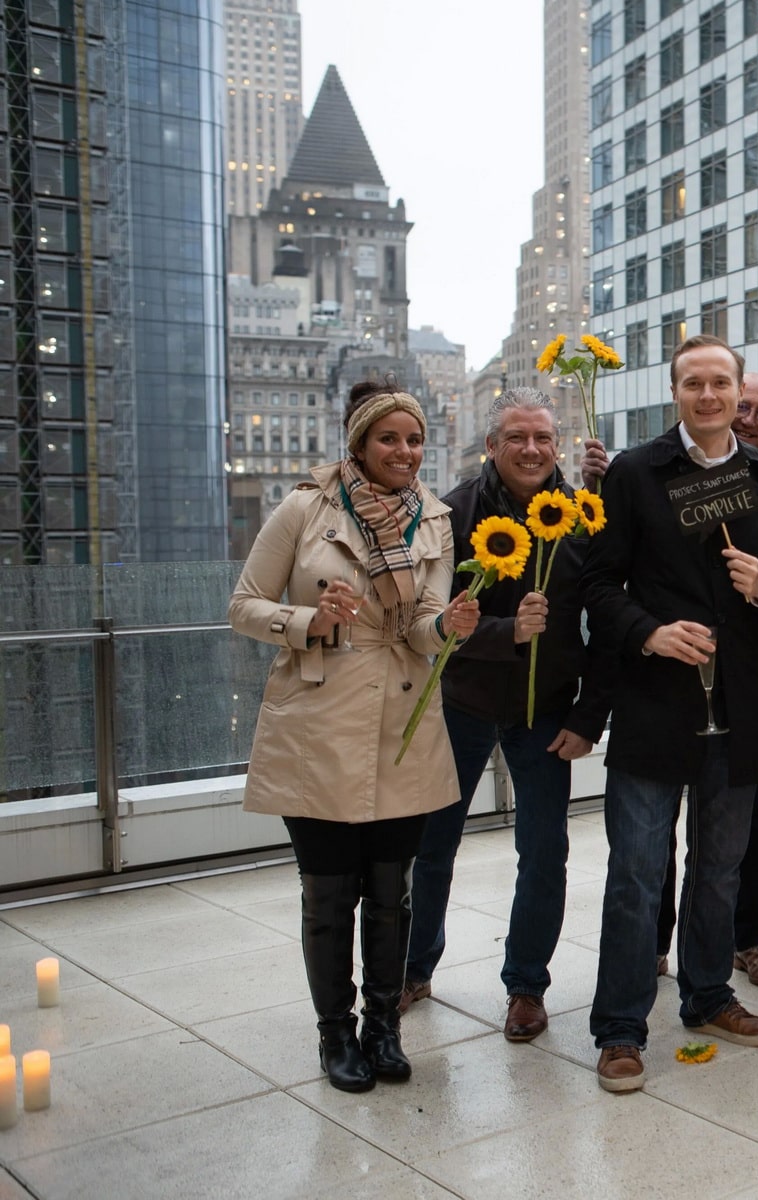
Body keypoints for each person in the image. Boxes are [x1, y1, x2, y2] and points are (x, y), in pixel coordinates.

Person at [228, 382, 479, 1093]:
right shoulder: (305, 507)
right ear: (360, 444)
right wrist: (310, 620)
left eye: (414, 439)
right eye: (388, 439)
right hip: (318, 723)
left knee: (391, 889)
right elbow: (243, 605)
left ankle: (384, 1029)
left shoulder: (434, 518)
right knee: (330, 891)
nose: (404, 452)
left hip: (401, 724)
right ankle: (335, 1036)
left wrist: (448, 629)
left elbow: (422, 629)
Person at [580, 334, 758, 1093]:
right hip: (655, 707)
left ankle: (707, 996)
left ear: (741, 394)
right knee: (637, 873)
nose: (708, 397)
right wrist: (650, 632)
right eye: (692, 384)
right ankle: (620, 1026)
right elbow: (599, 588)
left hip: (740, 707)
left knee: (721, 867)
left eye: (720, 385)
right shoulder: (638, 474)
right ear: (674, 392)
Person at [399, 388, 612, 1043]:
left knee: (545, 851)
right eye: (516, 438)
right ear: (491, 446)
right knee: (431, 848)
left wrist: (590, 715)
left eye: (543, 438)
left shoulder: (583, 516)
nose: (531, 449)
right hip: (460, 703)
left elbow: (605, 621)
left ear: (559, 446)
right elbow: (427, 618)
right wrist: (504, 634)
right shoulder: (453, 513)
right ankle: (412, 968)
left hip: (547, 709)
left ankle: (526, 987)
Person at [652, 371, 758, 987]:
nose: (748, 419)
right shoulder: (667, 478)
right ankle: (658, 942)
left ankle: (750, 936)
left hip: (750, 681)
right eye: (741, 405)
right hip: (678, 676)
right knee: (663, 827)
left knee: (750, 826)